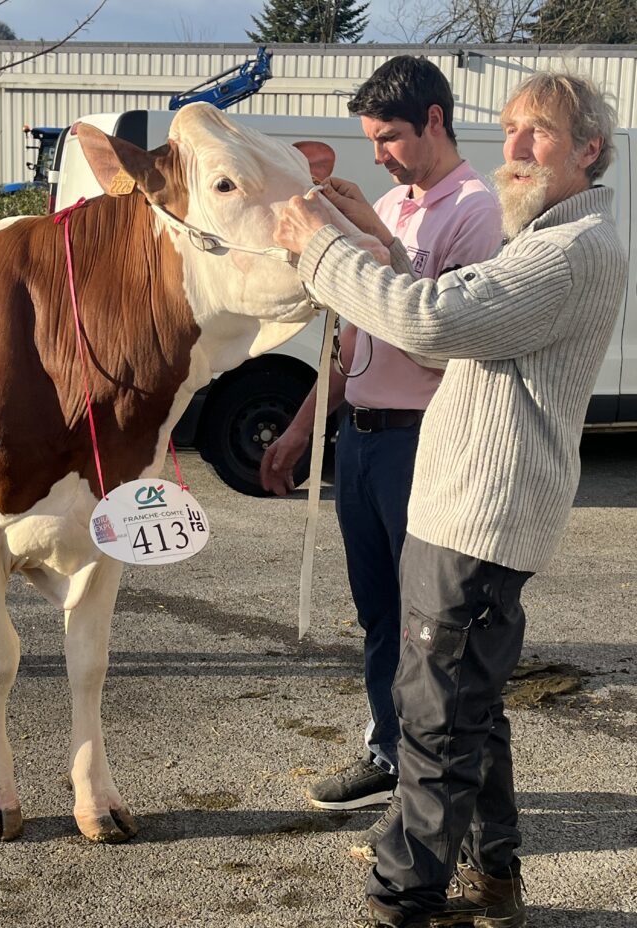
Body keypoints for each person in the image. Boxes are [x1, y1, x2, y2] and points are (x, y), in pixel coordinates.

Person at [274, 72, 627, 928]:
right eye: (508, 128)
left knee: (433, 713)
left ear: (588, 150)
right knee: (466, 698)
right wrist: (370, 241)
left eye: (536, 132)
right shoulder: (541, 236)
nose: (511, 147)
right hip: (464, 501)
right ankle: (494, 874)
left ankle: (405, 897)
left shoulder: (569, 250)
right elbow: (448, 309)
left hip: (481, 509)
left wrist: (321, 248)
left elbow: (431, 323)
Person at [260, 56, 501, 857]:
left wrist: (373, 251)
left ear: (435, 119)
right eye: (372, 141)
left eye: (391, 137)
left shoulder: (477, 212)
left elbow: (446, 349)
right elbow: (350, 340)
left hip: (422, 441)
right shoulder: (391, 205)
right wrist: (302, 429)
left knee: (433, 632)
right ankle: (389, 754)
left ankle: (435, 803)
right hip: (363, 442)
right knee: (378, 617)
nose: (382, 156)